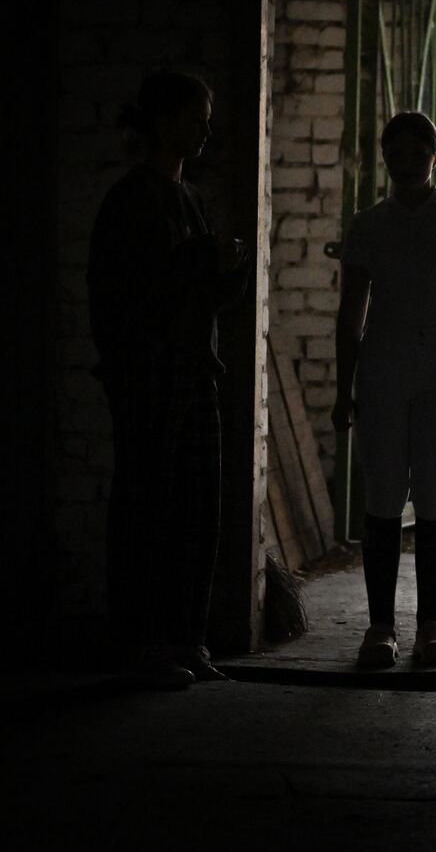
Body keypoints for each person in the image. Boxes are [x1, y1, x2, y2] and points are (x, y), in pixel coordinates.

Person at [88, 70, 251, 688]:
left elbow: (202, 297)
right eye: (195, 116)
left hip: (193, 370)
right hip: (150, 374)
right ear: (161, 122)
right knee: (148, 511)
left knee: (196, 509)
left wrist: (224, 269)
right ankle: (141, 645)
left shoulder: (190, 199)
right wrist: (204, 259)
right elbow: (136, 296)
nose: (206, 127)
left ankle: (186, 638)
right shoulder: (132, 200)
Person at [333, 112, 436, 669]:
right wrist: (341, 386)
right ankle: (380, 626)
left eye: (415, 155)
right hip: (380, 372)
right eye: (395, 156)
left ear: (434, 156)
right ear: (385, 160)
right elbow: (350, 312)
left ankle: (431, 624)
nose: (405, 165)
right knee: (381, 498)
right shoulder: (368, 225)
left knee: (433, 497)